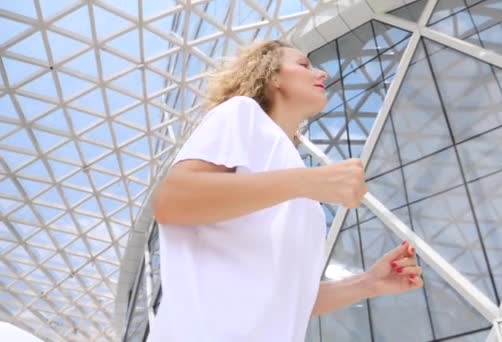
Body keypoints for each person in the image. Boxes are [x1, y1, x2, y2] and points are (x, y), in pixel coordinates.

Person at [148, 40, 423, 342]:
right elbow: (173, 201)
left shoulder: (292, 168)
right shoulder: (242, 114)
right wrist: (308, 182)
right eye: (303, 65)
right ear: (272, 76)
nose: (322, 74)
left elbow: (290, 296)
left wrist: (368, 283)